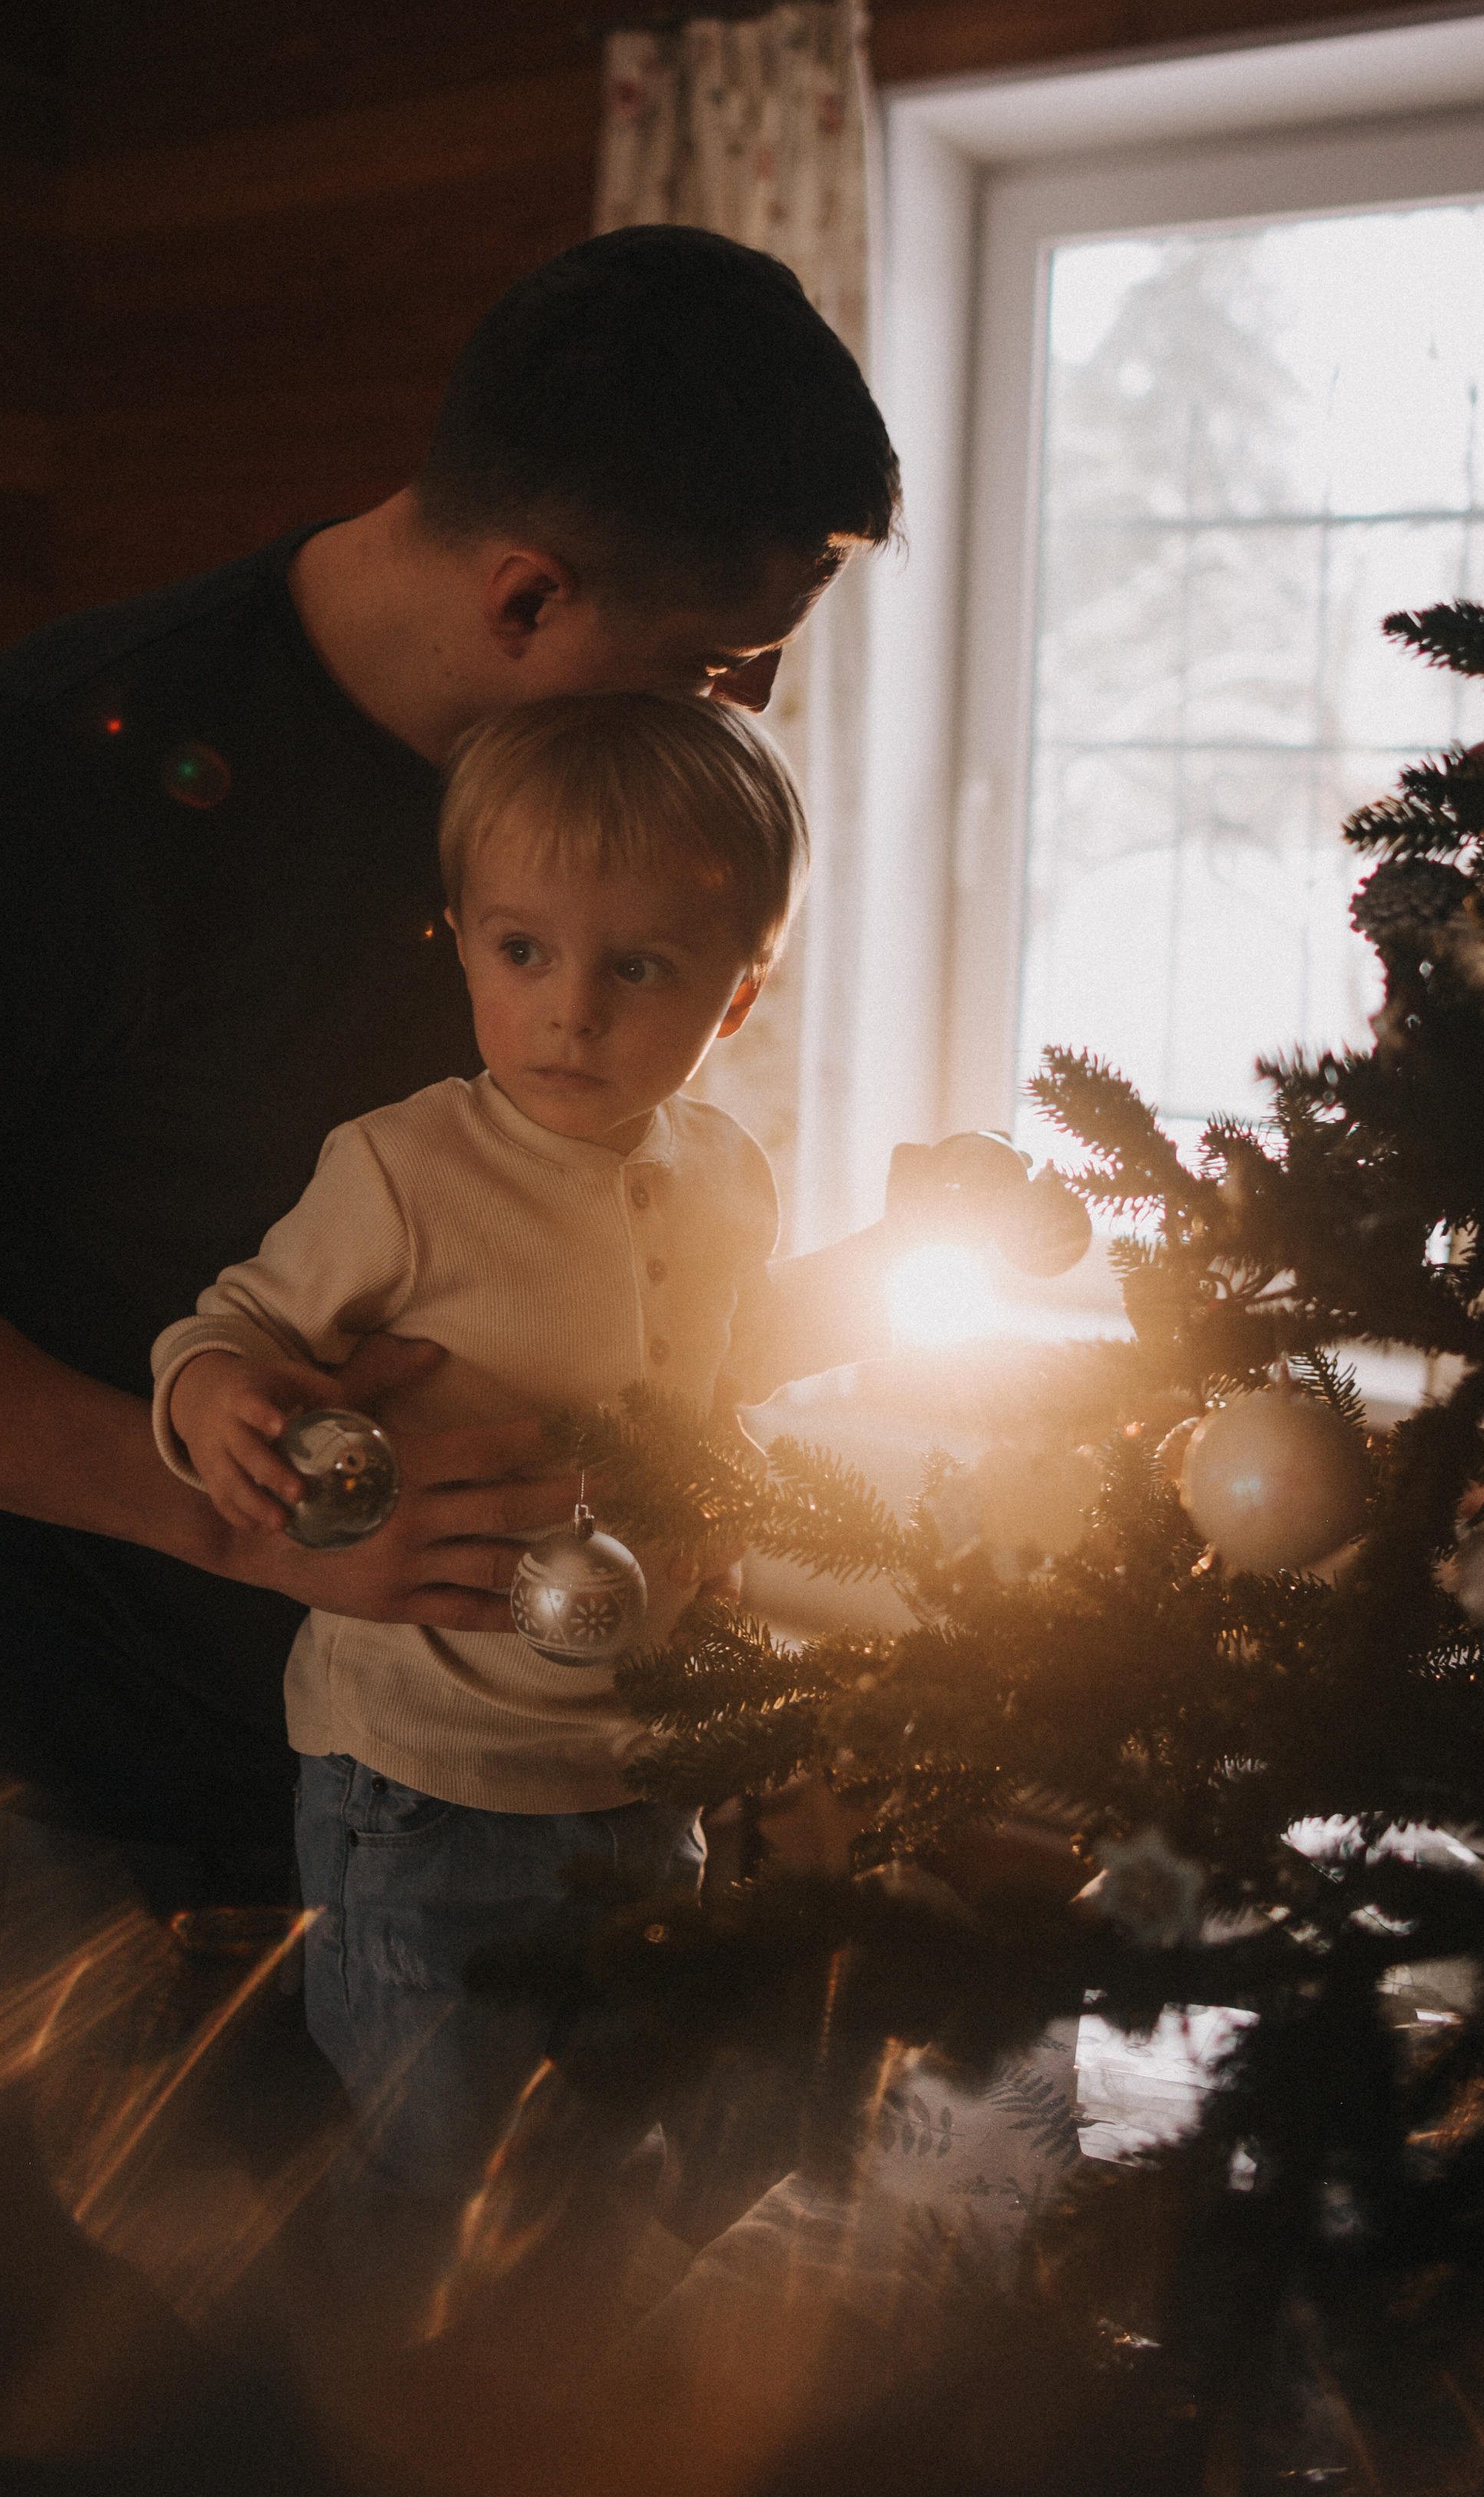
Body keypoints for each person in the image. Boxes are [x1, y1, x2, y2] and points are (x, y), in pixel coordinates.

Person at [0, 225, 902, 1939]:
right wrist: (242, 1526)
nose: (741, 715)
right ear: (525, 594)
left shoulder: (576, 817)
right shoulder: (47, 778)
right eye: (713, 664)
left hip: (453, 1763)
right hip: (71, 1761)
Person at [149, 692, 967, 2286]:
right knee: (436, 2171)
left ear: (736, 997)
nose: (569, 1014)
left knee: (598, 2138)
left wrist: (890, 1268)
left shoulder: (725, 1173)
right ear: (461, 943)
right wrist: (216, 1393)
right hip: (429, 1778)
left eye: (637, 968)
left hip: (640, 1770)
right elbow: (230, 1322)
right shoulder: (401, 1170)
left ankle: (570, 2413)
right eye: (521, 953)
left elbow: (720, 1361)